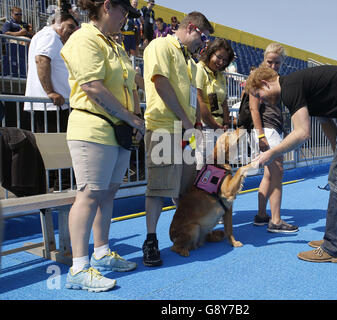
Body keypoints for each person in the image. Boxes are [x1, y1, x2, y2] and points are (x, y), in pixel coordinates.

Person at [246, 65, 337, 263]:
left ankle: (334, 247)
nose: (260, 100)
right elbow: (325, 120)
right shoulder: (301, 87)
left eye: (258, 94)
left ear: (264, 83)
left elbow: (302, 132)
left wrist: (271, 153)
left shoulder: (290, 88)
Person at [60, 0, 145, 292]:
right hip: (92, 127)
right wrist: (130, 117)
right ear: (108, 6)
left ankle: (102, 252)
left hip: (117, 130)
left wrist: (135, 119)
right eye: (124, 12)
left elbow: (130, 86)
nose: (127, 19)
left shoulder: (116, 45)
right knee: (88, 194)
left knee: (108, 193)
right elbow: (92, 87)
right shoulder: (84, 38)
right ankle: (78, 269)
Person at [143, 11, 214, 267]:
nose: (203, 44)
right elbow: (160, 84)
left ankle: (183, 233)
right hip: (164, 129)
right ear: (192, 28)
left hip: (186, 133)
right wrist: (186, 123)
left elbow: (191, 98)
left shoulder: (191, 62)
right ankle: (151, 239)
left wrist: (193, 127)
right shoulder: (161, 45)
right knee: (159, 189)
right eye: (202, 37)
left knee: (185, 189)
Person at [248, 43, 298, 233]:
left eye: (277, 63)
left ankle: (262, 215)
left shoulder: (280, 79)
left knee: (270, 174)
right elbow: (254, 109)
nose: (273, 66)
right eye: (270, 62)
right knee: (278, 172)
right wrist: (261, 135)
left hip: (276, 129)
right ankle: (276, 221)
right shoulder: (257, 79)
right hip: (267, 131)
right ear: (264, 59)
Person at [24, 12, 78, 133]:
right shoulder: (50, 35)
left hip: (55, 105)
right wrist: (51, 92)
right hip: (51, 106)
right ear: (58, 23)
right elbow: (41, 60)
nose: (72, 31)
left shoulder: (51, 37)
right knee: (52, 147)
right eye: (70, 26)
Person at [195, 38, 234, 168]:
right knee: (201, 168)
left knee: (217, 169)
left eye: (225, 61)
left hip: (219, 129)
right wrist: (214, 124)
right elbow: (198, 100)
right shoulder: (199, 69)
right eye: (219, 57)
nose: (221, 62)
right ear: (211, 52)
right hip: (204, 127)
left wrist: (226, 123)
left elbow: (224, 102)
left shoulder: (221, 76)